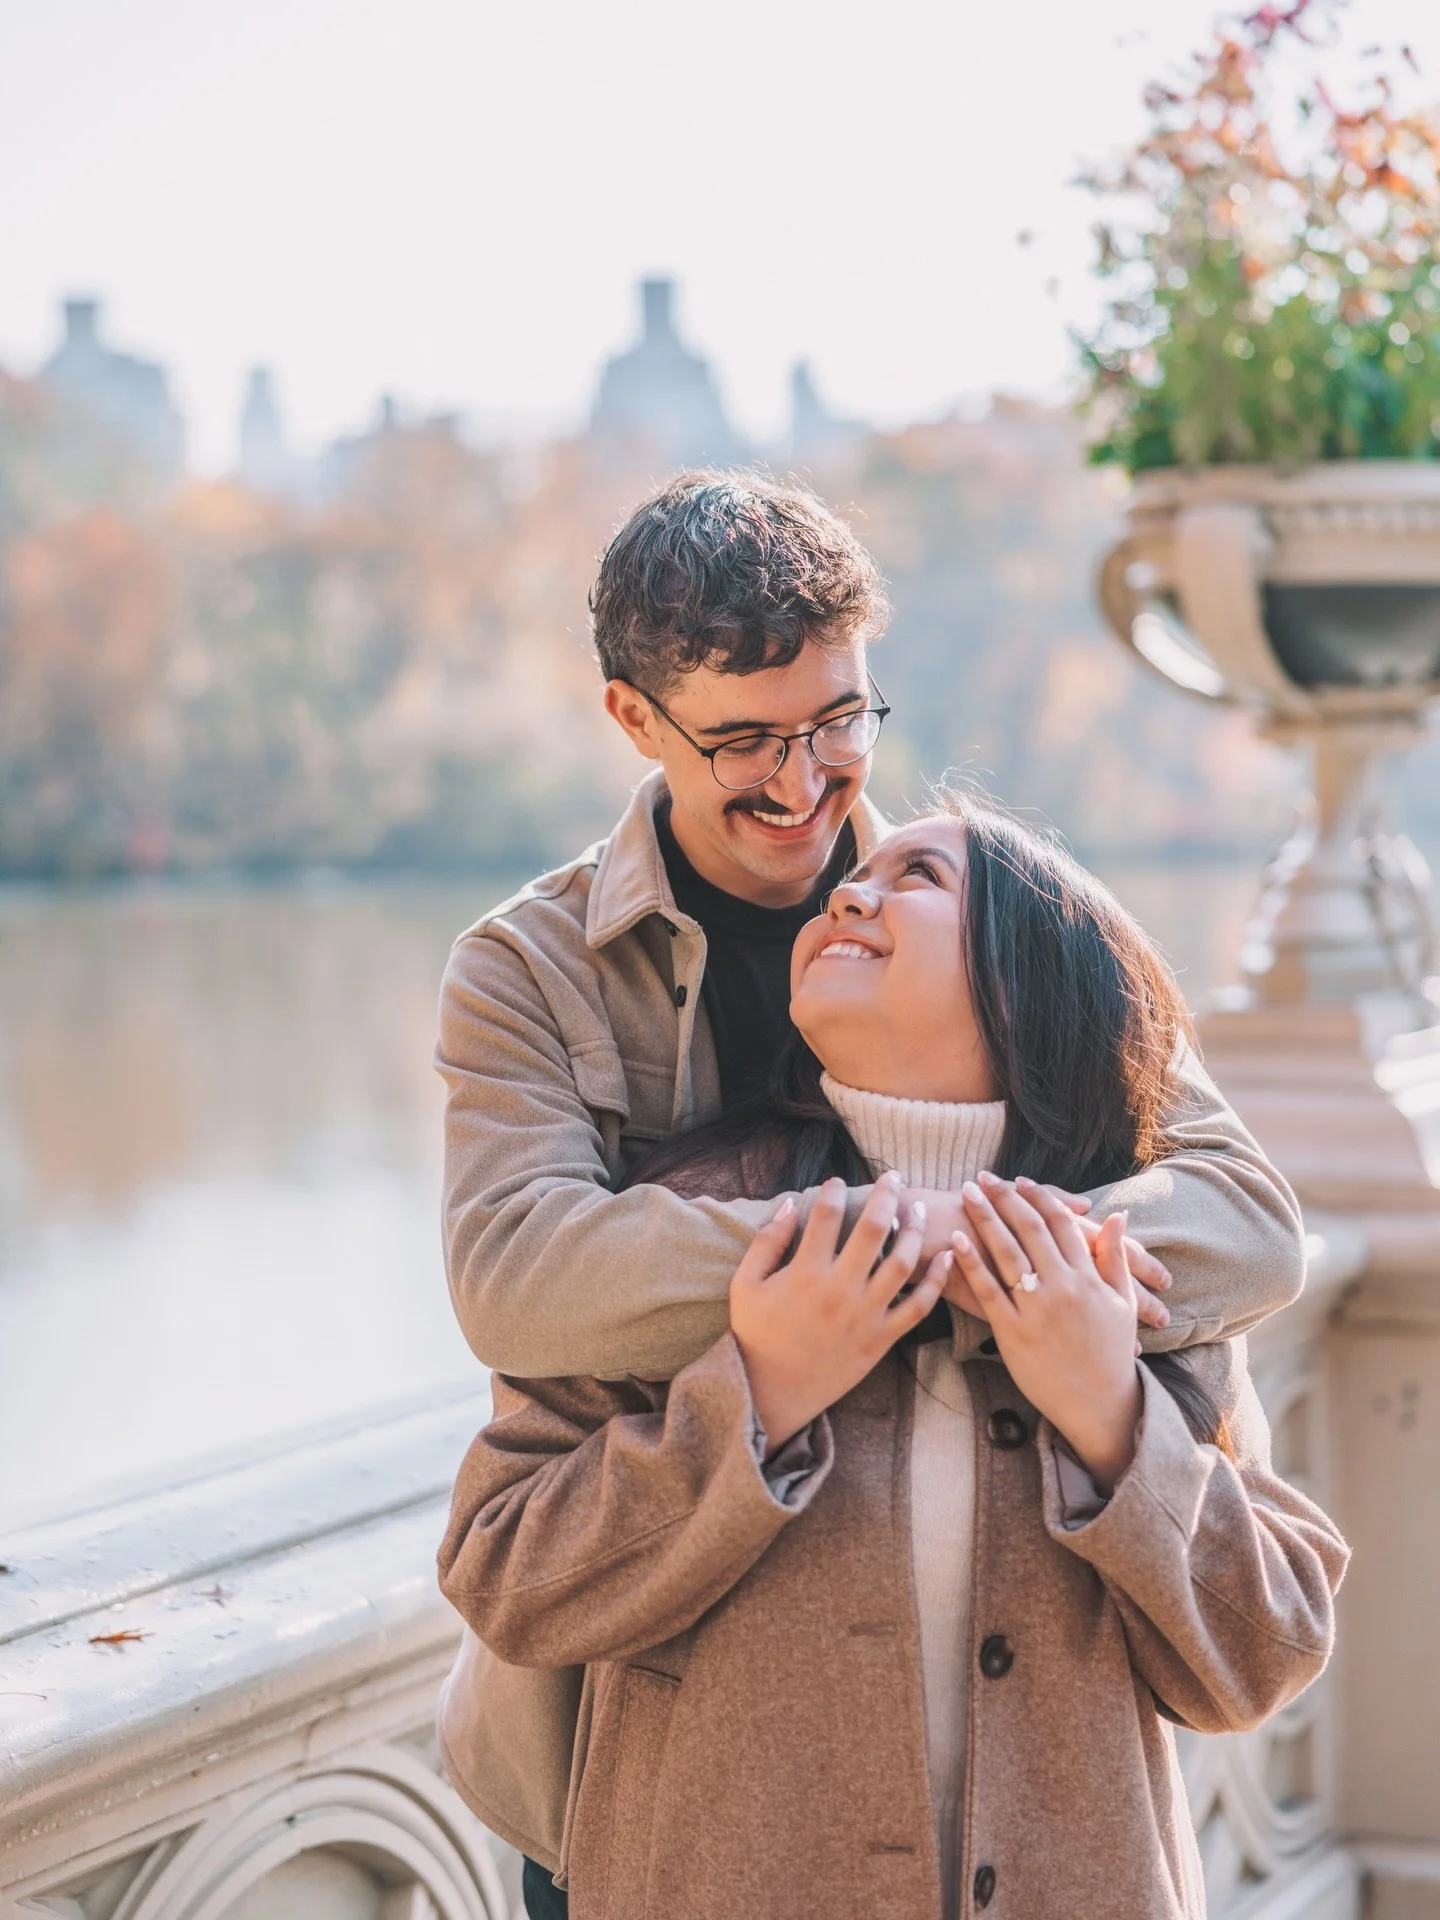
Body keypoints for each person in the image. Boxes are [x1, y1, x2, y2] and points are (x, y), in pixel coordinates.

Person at [433, 472, 1309, 1915]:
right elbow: (519, 1280)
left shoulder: (1018, 922)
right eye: (742, 740)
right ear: (635, 722)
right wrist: (827, 1282)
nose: (802, 783)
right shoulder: (525, 973)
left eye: (838, 722)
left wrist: (1000, 1274)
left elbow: (1245, 1221)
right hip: (637, 1753)